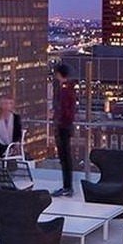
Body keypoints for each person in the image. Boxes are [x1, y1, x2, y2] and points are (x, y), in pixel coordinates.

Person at [52, 63, 77, 197]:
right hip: (67, 126)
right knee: (66, 158)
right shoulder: (71, 89)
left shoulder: (64, 91)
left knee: (64, 158)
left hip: (63, 127)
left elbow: (64, 111)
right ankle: (68, 186)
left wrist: (57, 121)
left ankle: (67, 187)